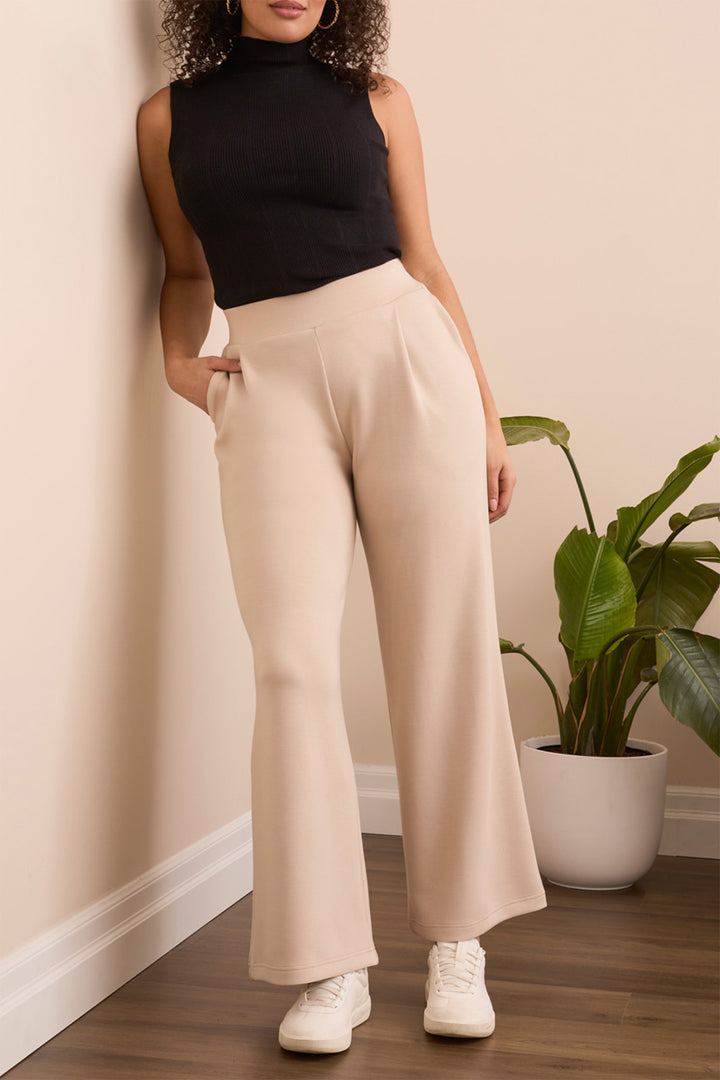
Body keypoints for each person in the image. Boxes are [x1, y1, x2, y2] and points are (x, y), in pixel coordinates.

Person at [137, 0, 547, 1056]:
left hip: (408, 363)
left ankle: (459, 939)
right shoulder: (167, 120)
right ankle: (328, 964)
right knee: (290, 666)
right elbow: (187, 274)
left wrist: (490, 420)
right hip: (266, 381)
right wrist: (182, 367)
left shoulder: (378, 100)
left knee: (441, 651)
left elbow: (429, 264)